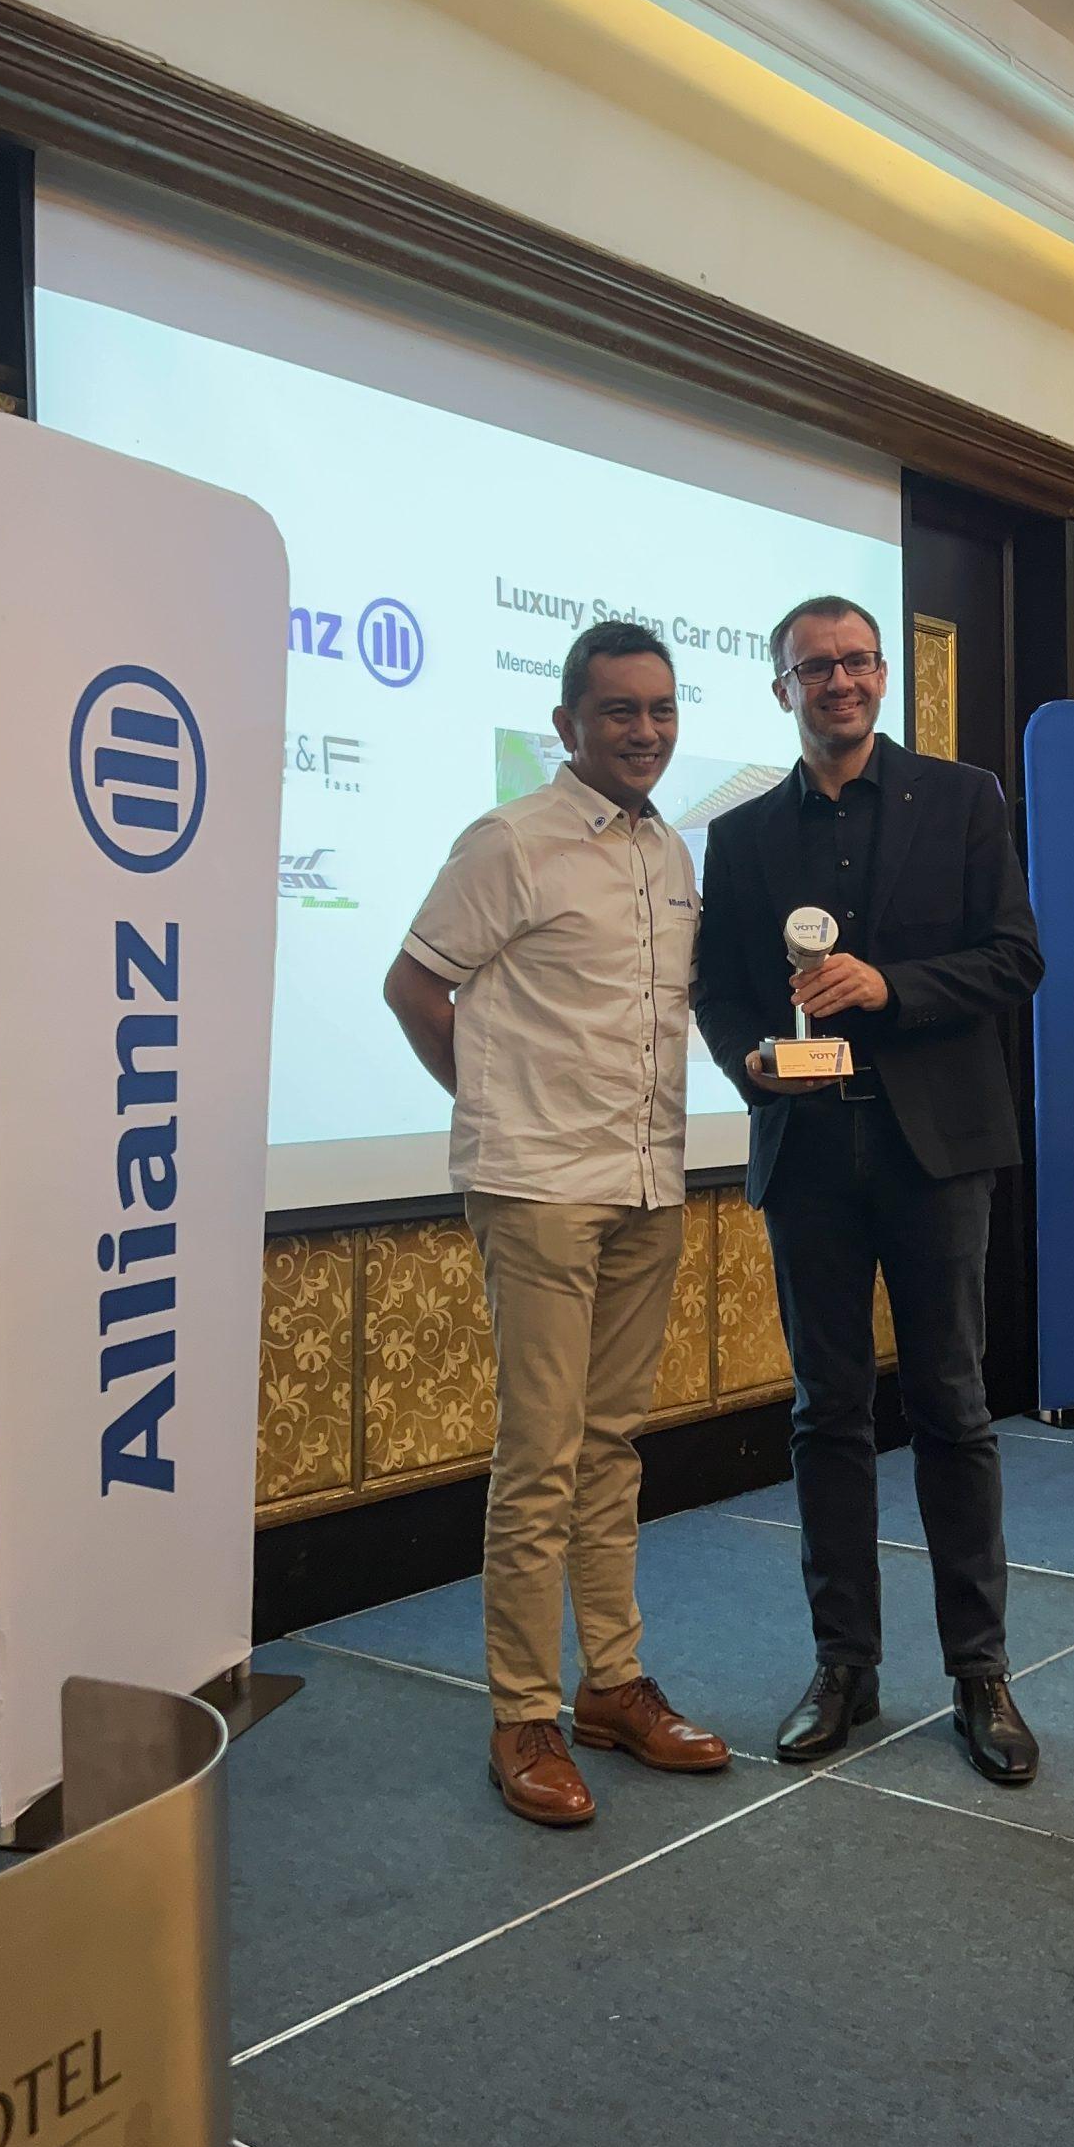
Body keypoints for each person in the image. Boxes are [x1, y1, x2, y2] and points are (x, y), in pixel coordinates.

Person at [385, 621, 730, 1827]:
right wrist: (498, 1110)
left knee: (612, 1447)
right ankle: (522, 1712)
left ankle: (612, 1685)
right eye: (620, 710)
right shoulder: (510, 840)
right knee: (539, 1458)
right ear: (568, 723)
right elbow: (413, 984)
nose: (645, 730)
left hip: (646, 1183)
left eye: (662, 709)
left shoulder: (669, 850)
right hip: (538, 1189)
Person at [695, 595, 1044, 1781]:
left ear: (882, 675)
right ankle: (844, 1664)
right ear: (781, 688)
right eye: (814, 667)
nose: (838, 681)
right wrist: (749, 1061)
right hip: (807, 1153)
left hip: (934, 1151)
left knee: (952, 1405)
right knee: (826, 1413)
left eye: (855, 661)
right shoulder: (741, 835)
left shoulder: (965, 797)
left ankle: (979, 1670)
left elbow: (1017, 957)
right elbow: (719, 992)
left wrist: (890, 988)